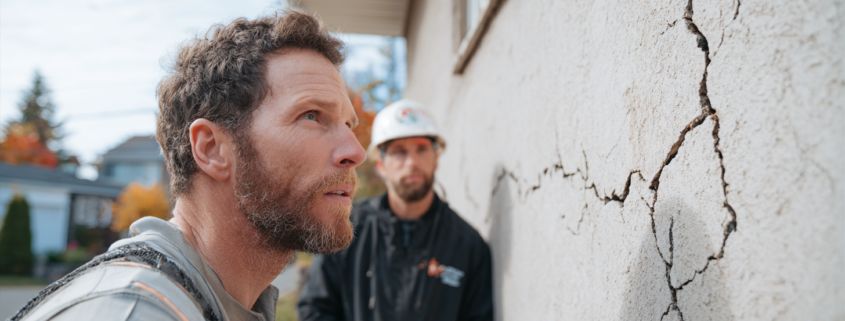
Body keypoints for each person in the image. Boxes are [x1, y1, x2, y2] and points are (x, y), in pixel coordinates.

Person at [10, 10, 366, 321]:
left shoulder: (203, 301)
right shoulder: (138, 311)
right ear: (211, 149)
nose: (356, 151)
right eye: (312, 115)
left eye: (349, 125)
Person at [297, 100, 494, 321]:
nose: (411, 162)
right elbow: (315, 310)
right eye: (399, 152)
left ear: (436, 158)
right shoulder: (345, 230)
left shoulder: (468, 246)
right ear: (381, 164)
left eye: (421, 149)